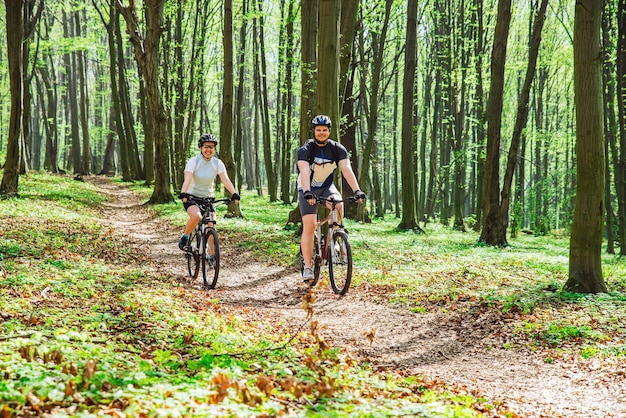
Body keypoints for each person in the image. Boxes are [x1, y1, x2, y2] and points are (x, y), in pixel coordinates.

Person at [297, 115, 365, 283]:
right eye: (318, 130)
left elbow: (346, 169)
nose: (321, 133)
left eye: (325, 130)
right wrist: (307, 192)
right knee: (309, 226)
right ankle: (307, 266)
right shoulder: (306, 149)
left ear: (329, 131)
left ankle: (334, 236)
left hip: (327, 187)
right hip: (307, 188)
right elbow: (304, 172)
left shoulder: (337, 149)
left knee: (338, 203)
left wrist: (357, 190)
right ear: (314, 131)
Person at [177, 133, 240, 250]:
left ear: (214, 149)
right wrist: (184, 193)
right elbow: (188, 179)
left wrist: (234, 193)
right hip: (191, 197)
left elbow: (225, 179)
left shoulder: (217, 163)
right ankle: (185, 237)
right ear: (201, 148)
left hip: (208, 198)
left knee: (211, 225)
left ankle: (210, 254)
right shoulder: (194, 162)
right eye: (206, 146)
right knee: (196, 217)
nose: (208, 149)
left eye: (211, 147)